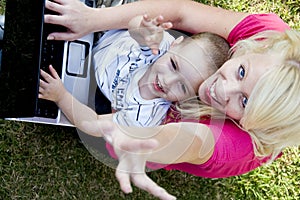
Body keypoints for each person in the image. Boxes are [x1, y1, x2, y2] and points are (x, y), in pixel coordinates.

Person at [43, 0, 300, 199]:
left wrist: (63, 98)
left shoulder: (229, 146)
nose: (222, 90)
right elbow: (181, 13)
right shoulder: (270, 43)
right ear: (255, 48)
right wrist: (95, 20)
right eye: (241, 71)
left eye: (243, 102)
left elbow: (111, 131)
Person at [92, 14, 229, 127]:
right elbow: (133, 25)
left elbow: (101, 124)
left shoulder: (146, 115)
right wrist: (142, 28)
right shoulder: (159, 45)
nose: (168, 81)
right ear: (175, 44)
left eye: (182, 87)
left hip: (91, 77)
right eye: (174, 65)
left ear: (188, 99)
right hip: (109, 32)